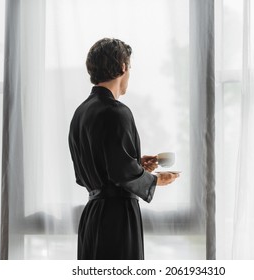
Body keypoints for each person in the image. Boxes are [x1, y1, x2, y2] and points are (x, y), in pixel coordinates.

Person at [68, 38, 179, 260]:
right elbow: (120, 172)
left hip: (92, 218)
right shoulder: (117, 112)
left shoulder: (80, 114)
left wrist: (135, 163)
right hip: (116, 219)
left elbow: (91, 173)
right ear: (123, 67)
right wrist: (156, 180)